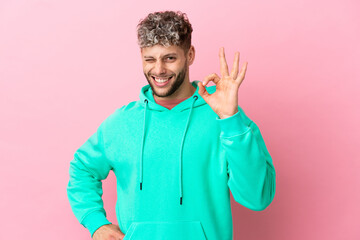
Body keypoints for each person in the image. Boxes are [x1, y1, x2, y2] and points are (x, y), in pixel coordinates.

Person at [67, 10, 276, 240]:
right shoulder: (122, 123)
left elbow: (258, 198)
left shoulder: (224, 117)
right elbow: (82, 169)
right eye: (150, 59)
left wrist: (231, 119)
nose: (158, 70)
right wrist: (96, 224)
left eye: (169, 58)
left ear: (190, 54)